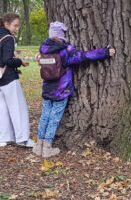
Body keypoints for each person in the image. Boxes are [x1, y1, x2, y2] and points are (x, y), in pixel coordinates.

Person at [35, 21, 114, 158]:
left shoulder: (43, 49)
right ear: (61, 36)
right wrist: (105, 52)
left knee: (45, 116)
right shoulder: (65, 51)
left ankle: (38, 145)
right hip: (61, 90)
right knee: (54, 118)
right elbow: (85, 56)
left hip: (47, 88)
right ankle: (47, 147)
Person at [0, 12, 35, 148]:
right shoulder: (8, 38)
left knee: (3, 109)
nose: (17, 28)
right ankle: (22, 139)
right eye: (15, 25)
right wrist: (20, 61)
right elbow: (7, 60)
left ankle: (4, 138)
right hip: (8, 78)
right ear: (7, 24)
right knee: (18, 108)